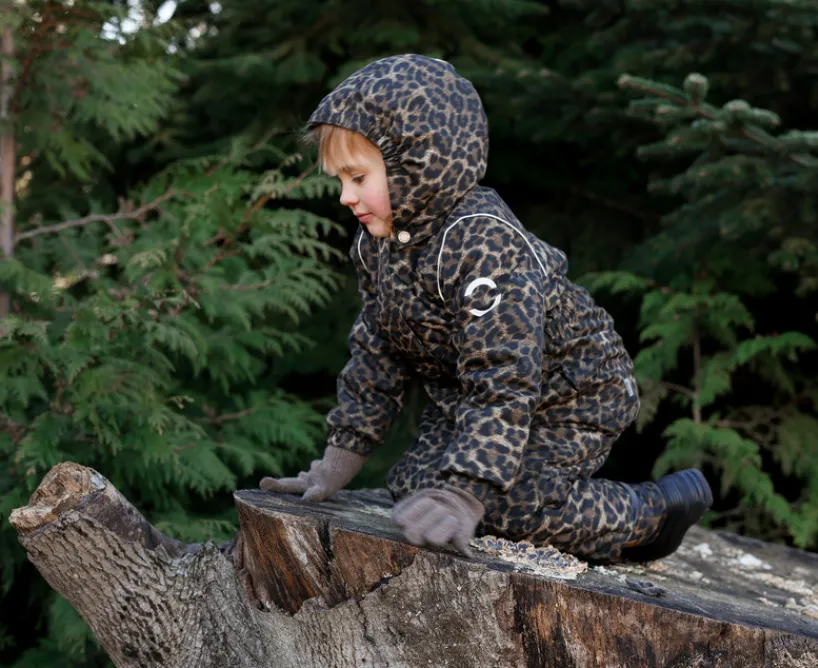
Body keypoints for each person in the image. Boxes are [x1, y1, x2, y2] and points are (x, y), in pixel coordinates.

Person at [259, 54, 712, 563]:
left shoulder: (483, 244)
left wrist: (466, 491)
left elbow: (505, 376)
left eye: (358, 178)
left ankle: (648, 513)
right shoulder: (378, 248)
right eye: (339, 180)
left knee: (503, 505)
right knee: (413, 488)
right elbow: (376, 353)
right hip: (472, 395)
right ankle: (525, 503)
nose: (346, 196)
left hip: (572, 391)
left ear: (417, 164)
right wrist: (336, 463)